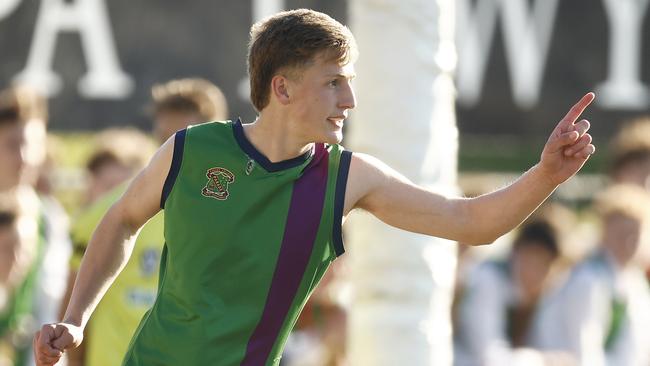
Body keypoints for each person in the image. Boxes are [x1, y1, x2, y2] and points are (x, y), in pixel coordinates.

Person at [34, 9, 596, 366]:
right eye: (333, 84)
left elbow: (471, 223)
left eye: (349, 85)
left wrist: (546, 174)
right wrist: (77, 318)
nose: (349, 101)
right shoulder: (191, 148)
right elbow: (120, 221)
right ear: (281, 88)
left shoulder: (348, 177)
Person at [63, 78, 228, 366]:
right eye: (165, 139)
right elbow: (73, 306)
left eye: (186, 138)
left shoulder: (233, 218)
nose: (175, 151)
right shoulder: (111, 213)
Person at [0, 85, 71, 366]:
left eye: (32, 144)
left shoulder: (51, 217)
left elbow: (52, 306)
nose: (25, 156)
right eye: (12, 144)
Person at [454, 203, 576, 366]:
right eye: (528, 259)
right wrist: (543, 360)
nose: (533, 271)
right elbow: (488, 357)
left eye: (543, 263)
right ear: (515, 253)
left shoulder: (553, 290)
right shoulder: (487, 279)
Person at [553, 184, 650, 366]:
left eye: (634, 235)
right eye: (621, 235)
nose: (628, 243)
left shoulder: (636, 281)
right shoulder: (588, 278)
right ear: (605, 232)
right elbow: (584, 350)